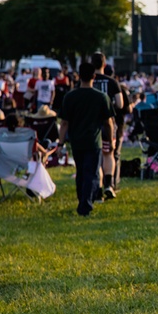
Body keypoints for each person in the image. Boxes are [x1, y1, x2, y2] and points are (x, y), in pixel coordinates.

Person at [58, 62, 114, 217]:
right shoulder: (101, 97)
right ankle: (86, 204)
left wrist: (60, 143)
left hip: (76, 141)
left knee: (81, 172)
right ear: (93, 77)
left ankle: (82, 199)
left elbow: (64, 123)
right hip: (94, 141)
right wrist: (110, 140)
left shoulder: (70, 97)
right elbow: (108, 123)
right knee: (91, 173)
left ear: (79, 76)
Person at [91, 53, 124, 200]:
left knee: (95, 157)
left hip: (91, 124)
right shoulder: (112, 82)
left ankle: (97, 189)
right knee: (108, 153)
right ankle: (109, 185)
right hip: (109, 123)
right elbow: (120, 104)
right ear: (104, 65)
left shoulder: (88, 81)